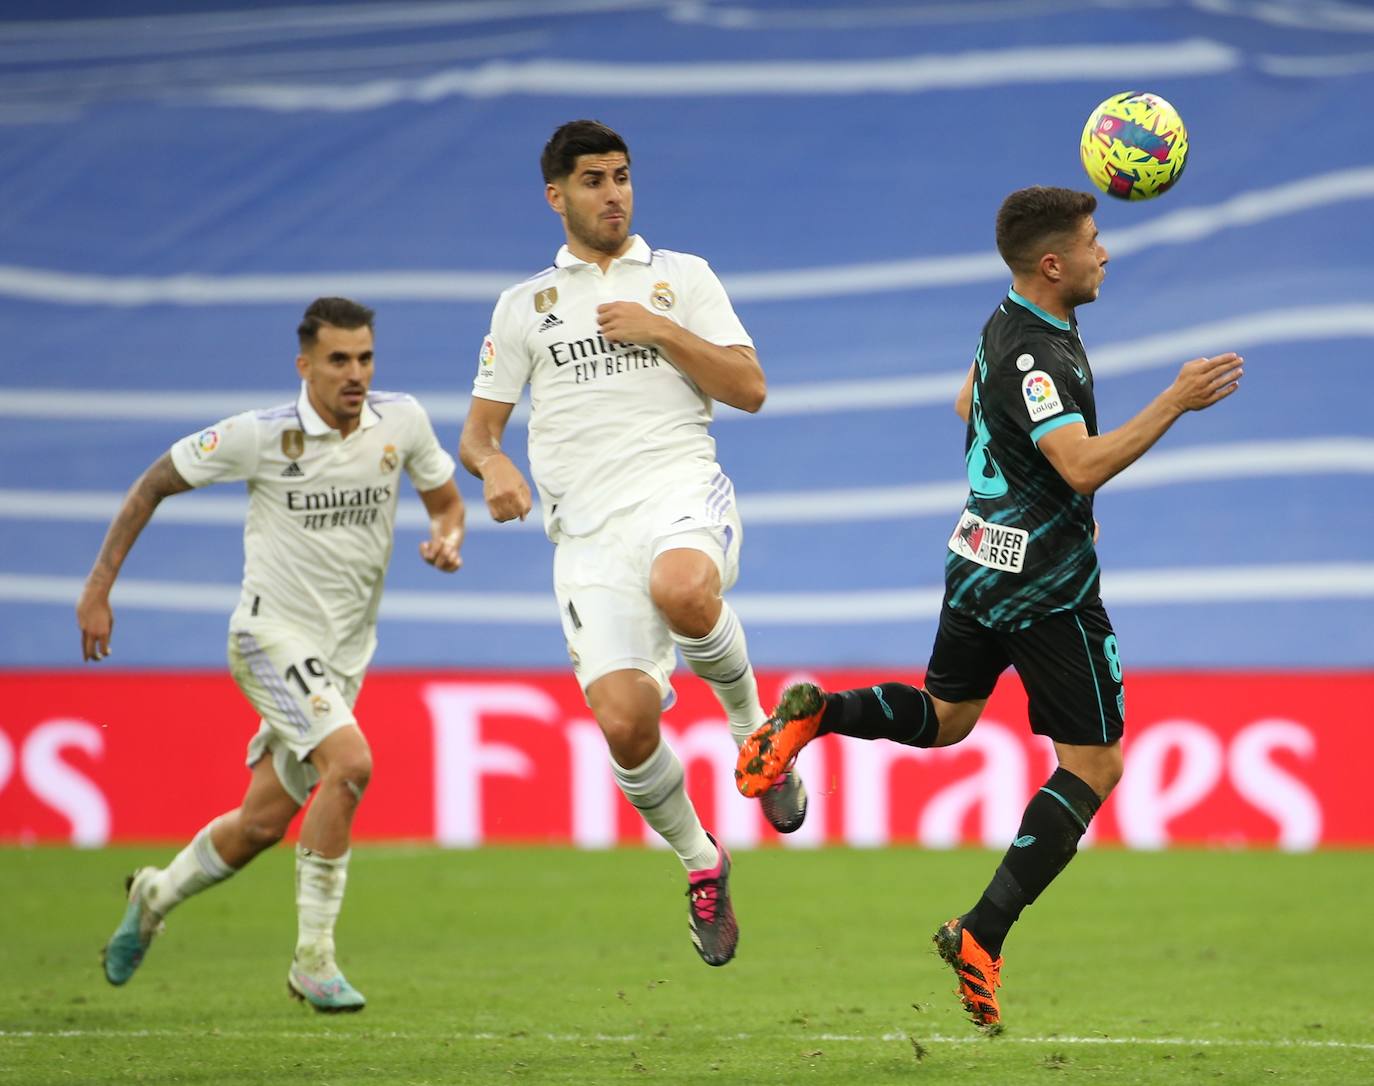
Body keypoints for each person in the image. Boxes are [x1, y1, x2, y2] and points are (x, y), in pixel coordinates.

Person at [736, 186, 1243, 1027]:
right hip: (1045, 586)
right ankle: (982, 932)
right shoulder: (1037, 352)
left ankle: (815, 716)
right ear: (1054, 265)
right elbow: (1078, 464)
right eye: (1092, 241)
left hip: (978, 557)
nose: (1103, 252)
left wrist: (1025, 491)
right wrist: (1173, 401)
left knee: (946, 717)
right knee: (1096, 765)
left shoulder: (1007, 323)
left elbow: (971, 406)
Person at [459, 119, 804, 968]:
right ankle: (701, 863)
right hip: (586, 535)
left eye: (621, 176)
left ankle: (755, 732)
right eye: (592, 180)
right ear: (557, 195)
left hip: (679, 490)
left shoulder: (681, 279)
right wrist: (494, 467)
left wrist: (665, 333)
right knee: (623, 723)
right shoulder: (524, 307)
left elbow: (751, 389)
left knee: (685, 590)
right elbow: (478, 433)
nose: (613, 193)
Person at [78, 297, 464, 1012]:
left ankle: (153, 895)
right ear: (305, 365)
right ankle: (313, 961)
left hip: (344, 656)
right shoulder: (260, 437)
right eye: (339, 360)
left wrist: (448, 536)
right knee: (350, 765)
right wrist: (100, 587)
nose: (356, 374)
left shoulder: (401, 421)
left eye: (366, 358)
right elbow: (155, 481)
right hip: (267, 637)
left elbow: (445, 500)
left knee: (259, 825)